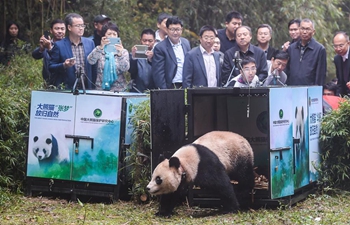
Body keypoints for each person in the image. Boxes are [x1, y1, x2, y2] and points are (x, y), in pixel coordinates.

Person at [49, 13, 96, 90]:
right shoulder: (59, 45)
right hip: (67, 89)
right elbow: (51, 67)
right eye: (78, 26)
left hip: (87, 88)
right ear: (69, 27)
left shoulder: (90, 43)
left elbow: (94, 66)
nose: (81, 28)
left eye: (82, 25)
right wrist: (64, 65)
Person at [87, 21, 130, 92]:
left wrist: (120, 54)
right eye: (109, 34)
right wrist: (100, 47)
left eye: (114, 34)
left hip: (118, 90)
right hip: (101, 89)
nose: (112, 36)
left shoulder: (123, 51)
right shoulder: (100, 49)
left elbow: (125, 68)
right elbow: (90, 61)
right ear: (104, 36)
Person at [152, 16, 191, 89]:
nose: (175, 33)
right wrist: (164, 91)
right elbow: (158, 73)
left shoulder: (186, 43)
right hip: (170, 85)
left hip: (185, 84)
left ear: (181, 30)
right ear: (167, 29)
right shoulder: (160, 48)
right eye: (172, 29)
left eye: (178, 29)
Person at [286, 19, 326, 86]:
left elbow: (320, 76)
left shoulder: (319, 49)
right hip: (292, 89)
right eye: (302, 29)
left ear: (313, 32)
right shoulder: (291, 48)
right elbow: (288, 71)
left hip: (310, 90)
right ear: (299, 30)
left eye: (308, 29)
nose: (304, 32)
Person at [32, 19, 66, 86]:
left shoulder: (68, 44)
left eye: (62, 29)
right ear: (51, 30)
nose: (60, 31)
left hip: (63, 82)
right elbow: (35, 55)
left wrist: (50, 48)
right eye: (57, 29)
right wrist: (42, 48)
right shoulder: (47, 43)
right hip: (48, 81)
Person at [129, 28, 156, 92]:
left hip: (154, 90)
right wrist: (133, 57)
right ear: (140, 40)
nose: (147, 43)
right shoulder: (134, 54)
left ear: (154, 41)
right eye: (144, 40)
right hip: (137, 89)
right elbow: (132, 71)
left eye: (150, 41)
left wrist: (152, 59)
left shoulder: (158, 54)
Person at [333, 31, 350, 96]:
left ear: (348, 43)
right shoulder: (337, 59)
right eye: (335, 46)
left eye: (341, 46)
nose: (338, 49)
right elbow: (340, 81)